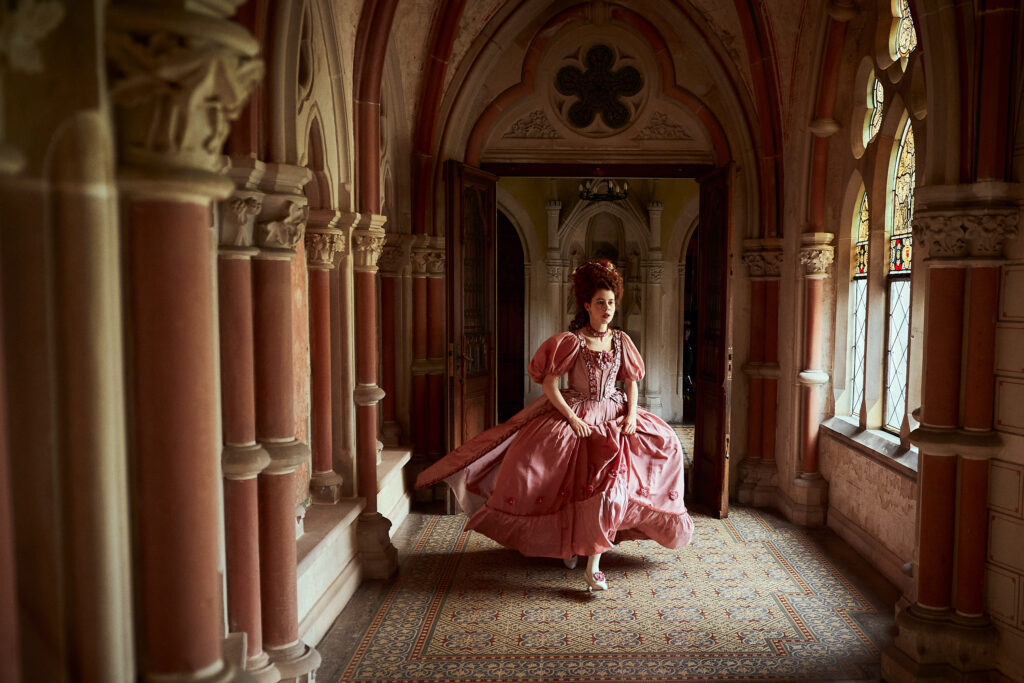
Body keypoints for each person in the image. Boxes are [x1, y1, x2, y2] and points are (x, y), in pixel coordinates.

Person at [415, 259, 693, 591]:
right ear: (587, 305)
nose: (607, 309)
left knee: (663, 444)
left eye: (612, 303)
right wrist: (572, 419)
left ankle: (591, 549)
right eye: (601, 303)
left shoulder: (621, 341)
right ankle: (574, 546)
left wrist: (631, 415)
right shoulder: (571, 341)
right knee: (553, 471)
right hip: (577, 411)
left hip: (615, 412)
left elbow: (631, 380)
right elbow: (549, 384)